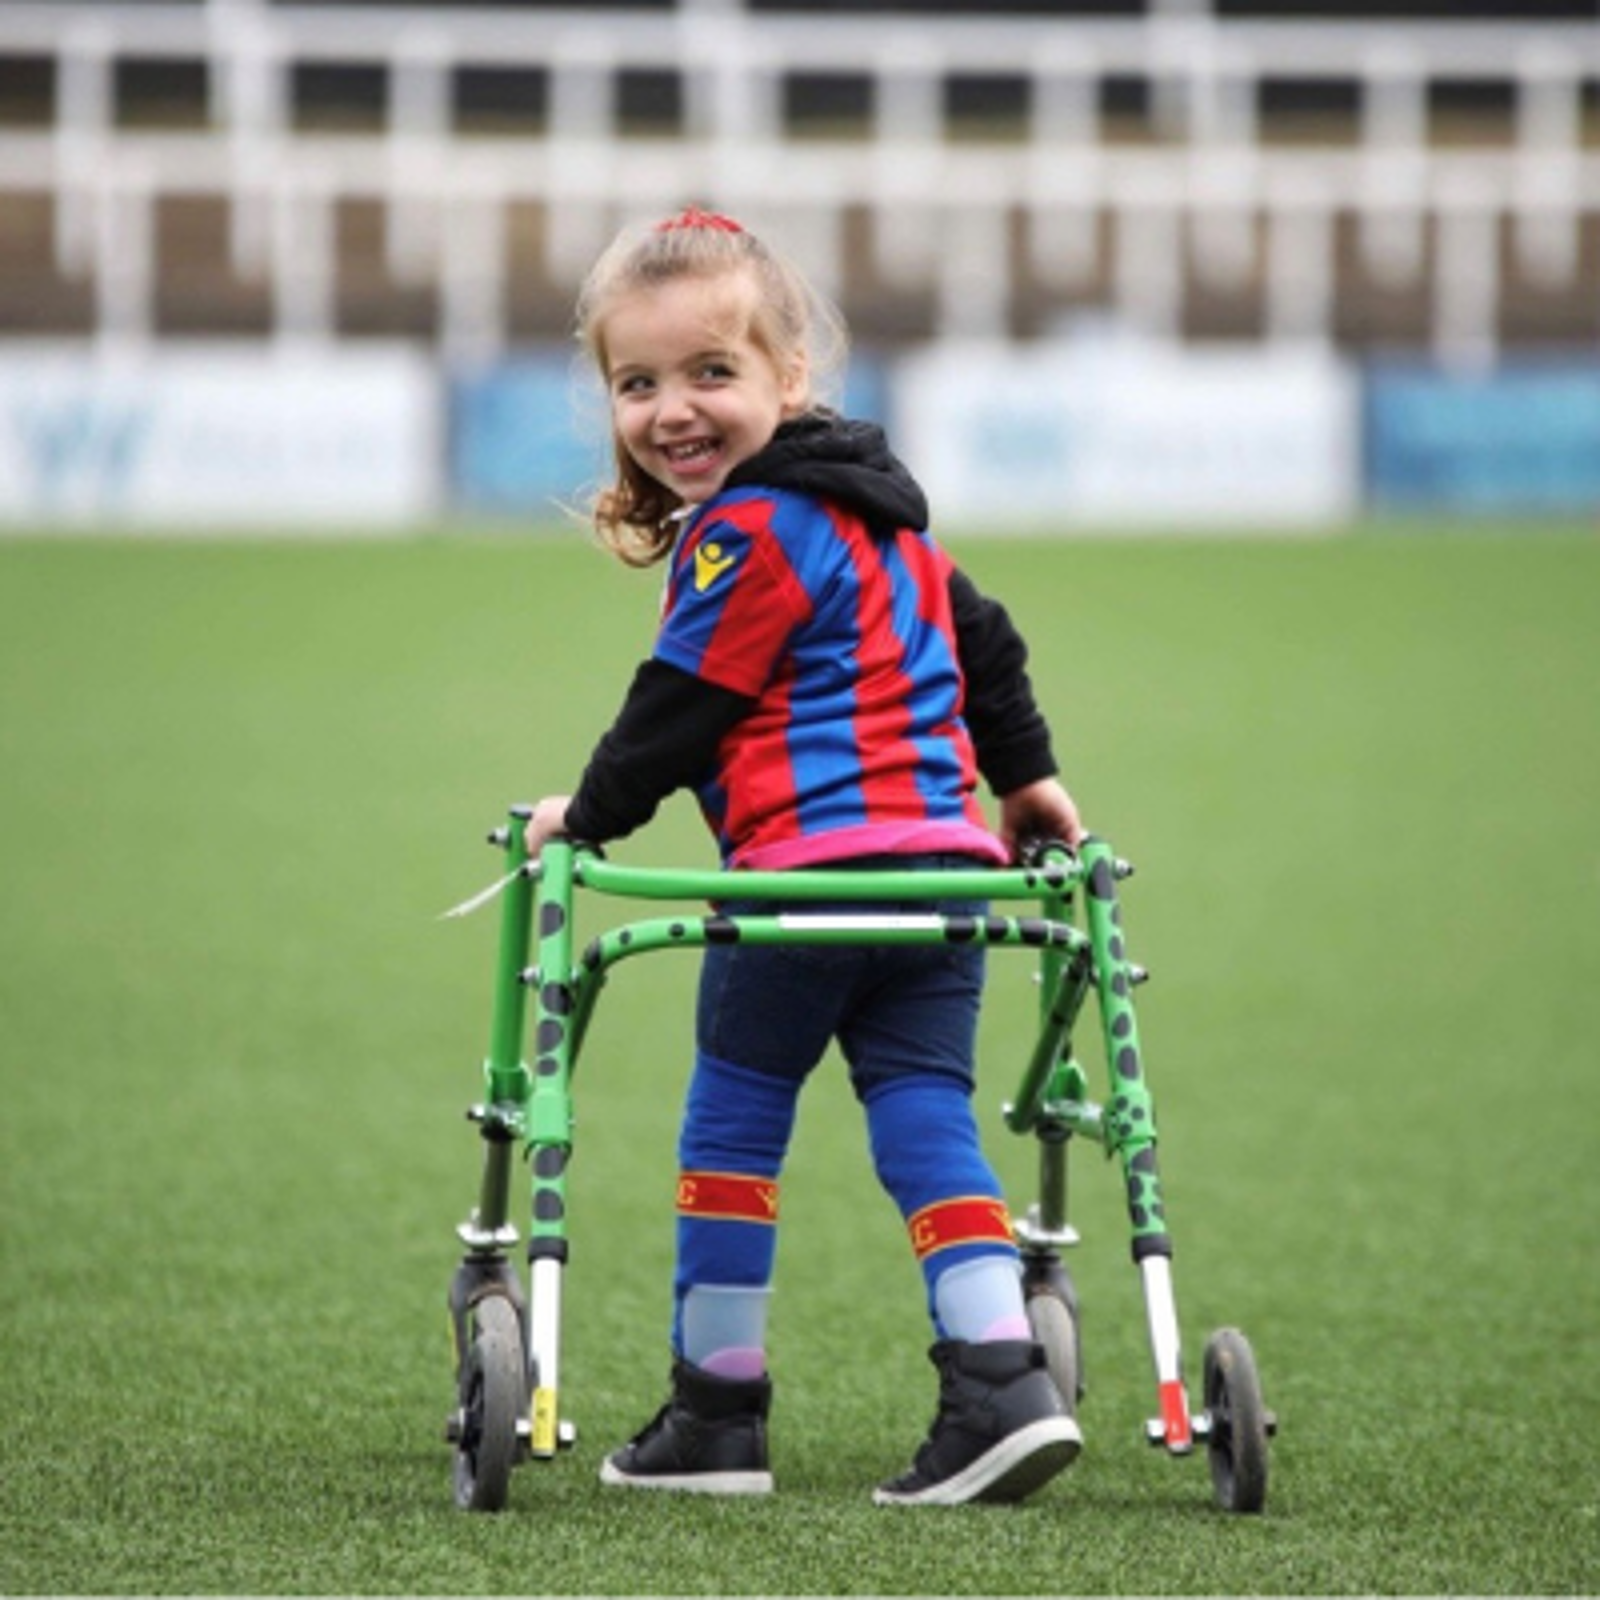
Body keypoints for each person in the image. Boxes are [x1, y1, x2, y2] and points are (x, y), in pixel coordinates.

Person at [521, 206, 1087, 1506]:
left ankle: (718, 1413)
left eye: (712, 374)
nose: (674, 410)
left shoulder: (747, 532)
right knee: (926, 1113)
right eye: (637, 382)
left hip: (806, 880)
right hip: (946, 870)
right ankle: (1000, 1381)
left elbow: (685, 697)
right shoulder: (892, 527)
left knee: (733, 1119)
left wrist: (589, 817)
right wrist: (1030, 783)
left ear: (793, 380)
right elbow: (986, 643)